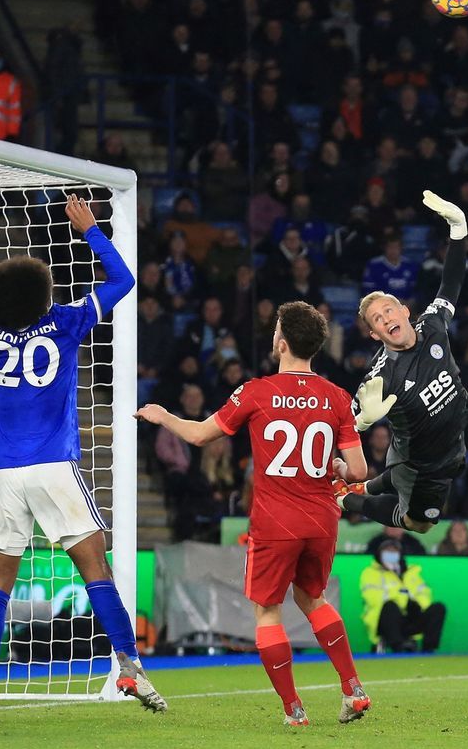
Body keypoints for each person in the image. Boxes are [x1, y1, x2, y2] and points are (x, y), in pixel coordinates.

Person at [0, 195, 161, 722]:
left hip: (4, 474)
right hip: (54, 467)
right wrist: (91, 230)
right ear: (43, 293)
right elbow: (122, 282)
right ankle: (129, 666)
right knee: (96, 568)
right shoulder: (65, 323)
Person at [137, 301, 371, 727]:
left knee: (267, 611)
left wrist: (162, 415)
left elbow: (200, 435)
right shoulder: (337, 396)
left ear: (281, 343)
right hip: (321, 518)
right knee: (311, 598)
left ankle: (293, 709)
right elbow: (357, 471)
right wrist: (336, 467)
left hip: (276, 519)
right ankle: (353, 689)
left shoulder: (256, 391)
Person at [338, 191, 468, 534]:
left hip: (452, 444)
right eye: (376, 320)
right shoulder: (382, 375)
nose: (385, 319)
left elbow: (452, 282)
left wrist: (458, 231)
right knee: (419, 523)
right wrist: (363, 422)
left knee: (401, 485)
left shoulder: (433, 324)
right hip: (420, 466)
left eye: (388, 310)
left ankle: (373, 485)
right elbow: (345, 424)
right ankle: (343, 499)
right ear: (374, 335)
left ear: (404, 310)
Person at [360, 538, 447, 653]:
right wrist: (405, 600)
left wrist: (417, 604)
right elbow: (374, 598)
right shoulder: (370, 573)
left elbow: (424, 594)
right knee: (390, 606)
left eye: (394, 551)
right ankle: (398, 647)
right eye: (387, 551)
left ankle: (428, 650)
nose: (391, 554)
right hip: (384, 620)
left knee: (438, 608)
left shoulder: (411, 572)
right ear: (379, 554)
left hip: (410, 616)